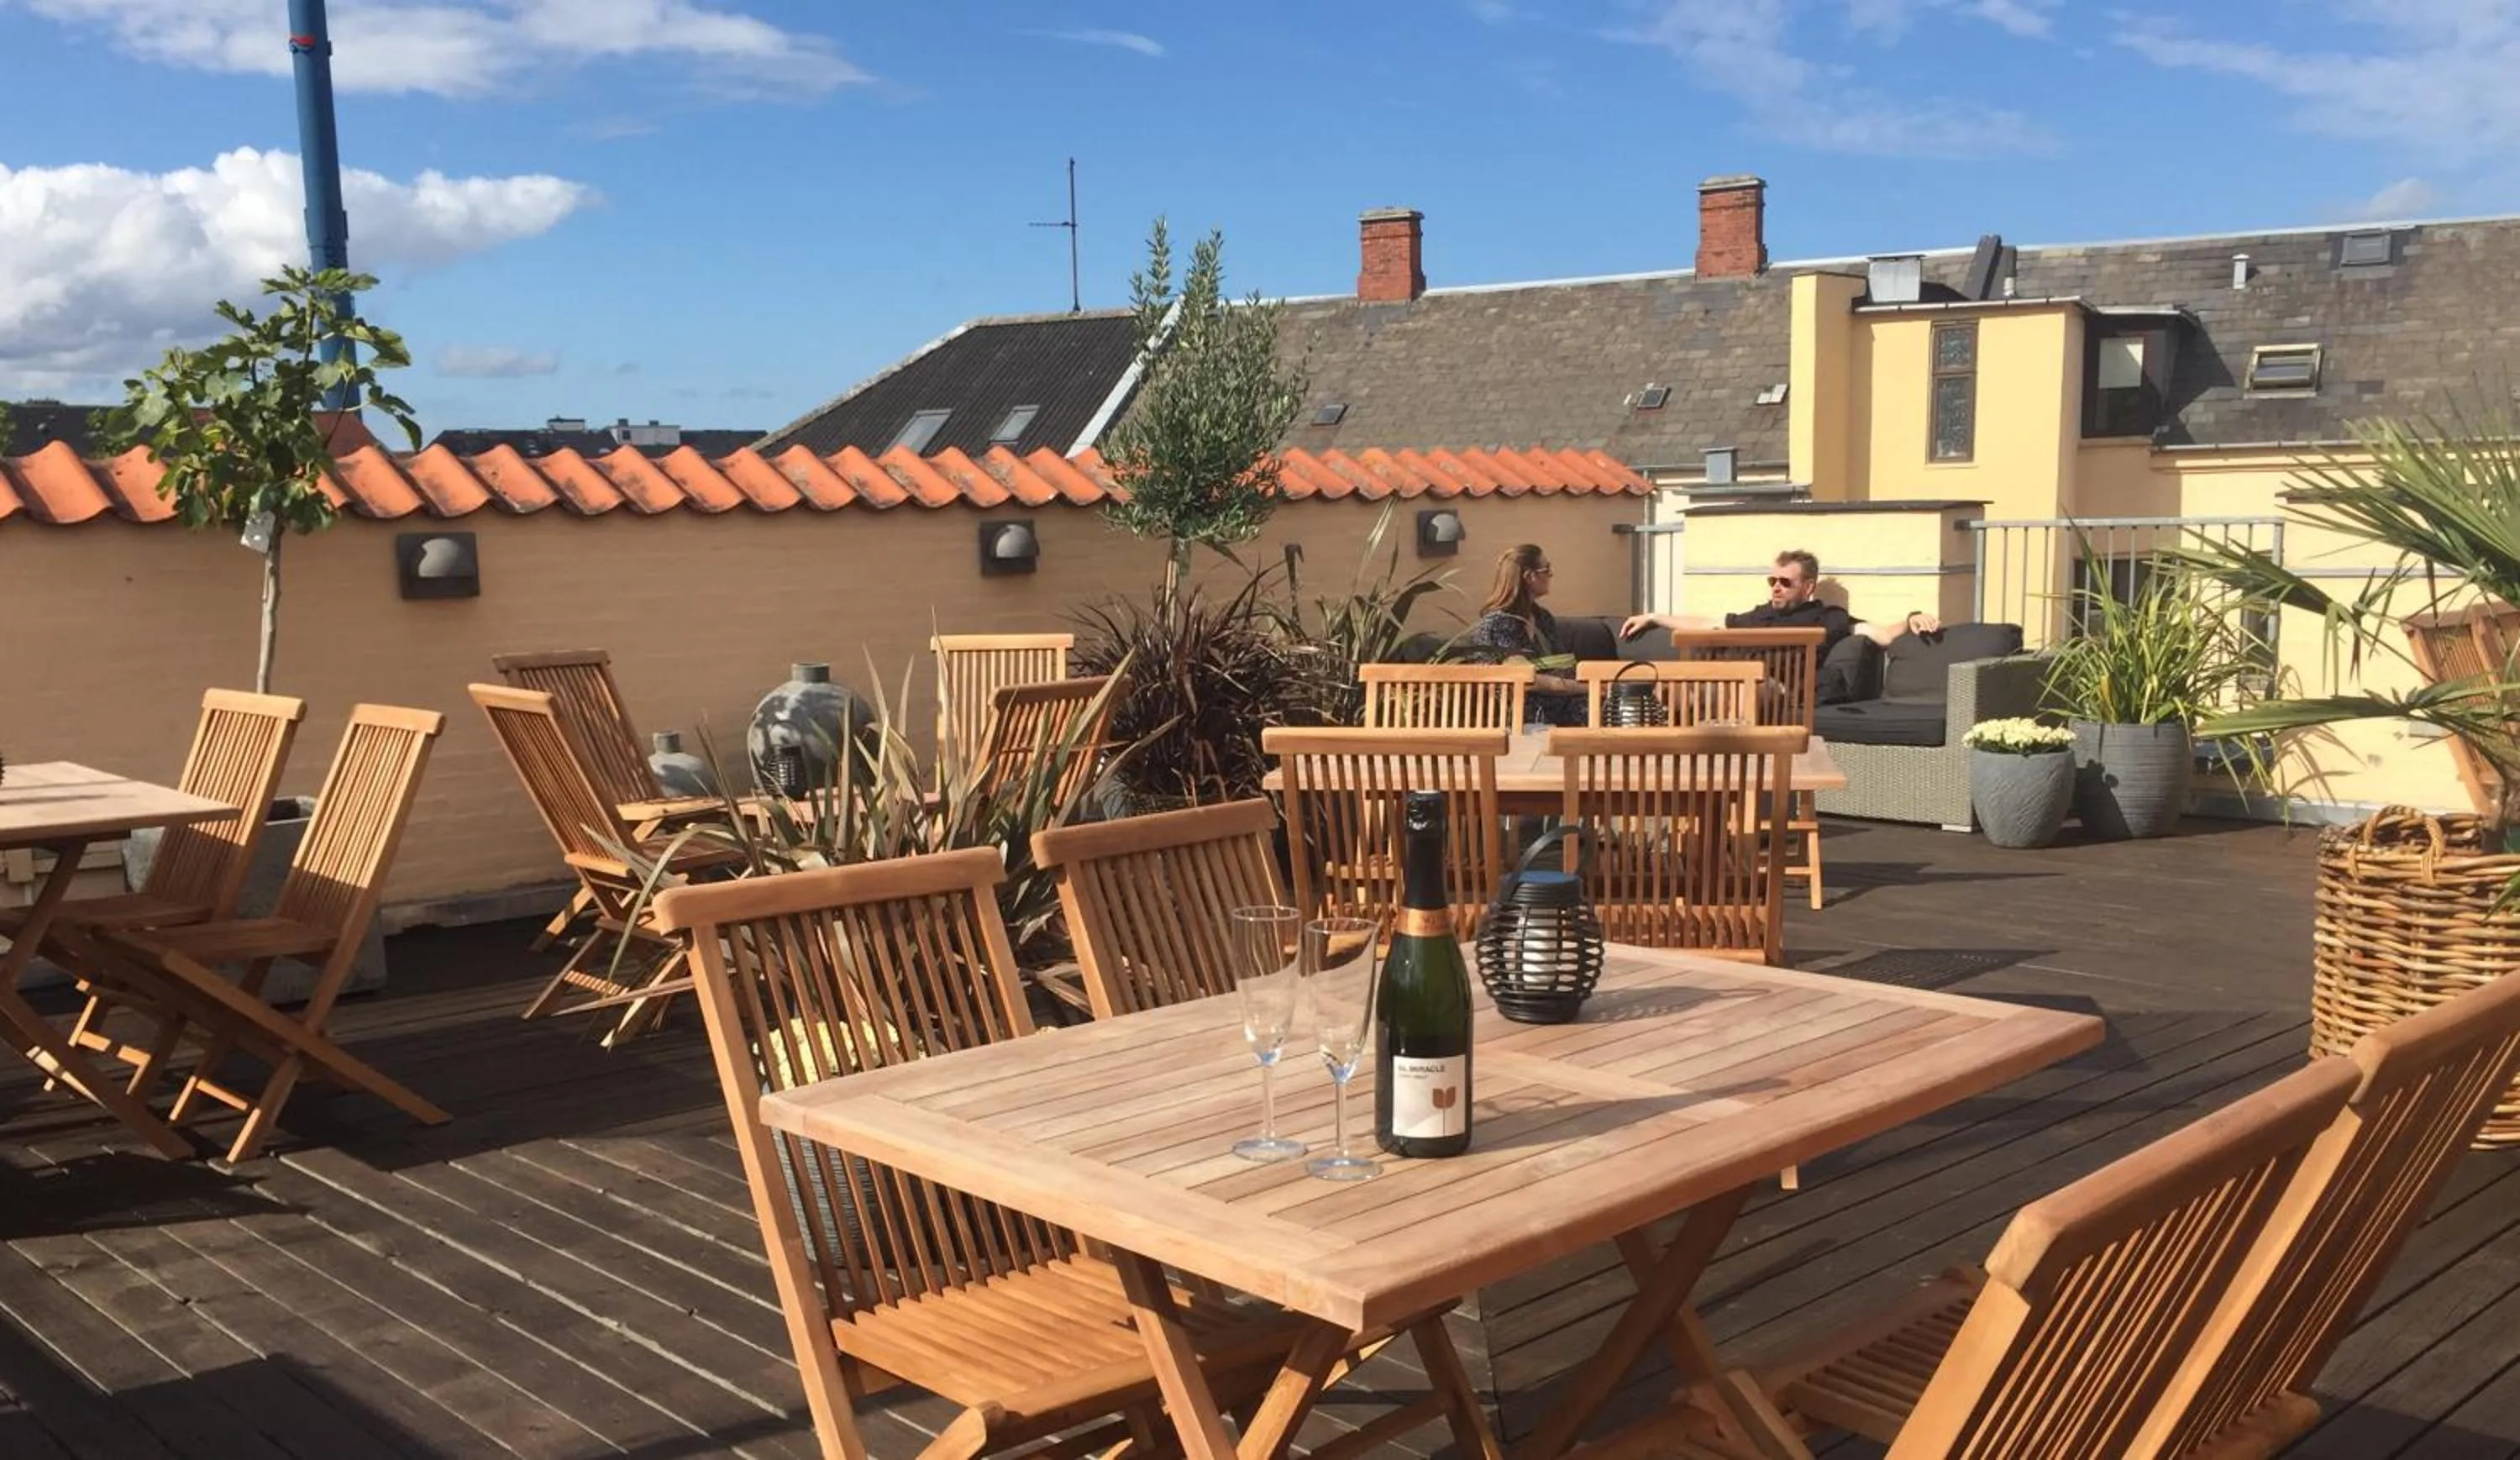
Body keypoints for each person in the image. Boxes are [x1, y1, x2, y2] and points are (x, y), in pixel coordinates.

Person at [1620, 549, 1940, 658]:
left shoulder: (1828, 617)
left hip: (1781, 690)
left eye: (1785, 582)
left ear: (1808, 587)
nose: (1776, 588)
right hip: (1739, 684)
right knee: (1674, 690)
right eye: (1772, 581)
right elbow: (1710, 623)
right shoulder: (1759, 616)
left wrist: (1914, 617)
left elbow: (1882, 634)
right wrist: (1655, 616)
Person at [1459, 544, 1588, 727]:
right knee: (1597, 703)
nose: (1551, 574)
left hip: (1558, 703)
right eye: (1547, 569)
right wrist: (1583, 688)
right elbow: (1524, 678)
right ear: (1529, 577)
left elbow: (1562, 664)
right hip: (1517, 714)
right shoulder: (1498, 624)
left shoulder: (1542, 618)